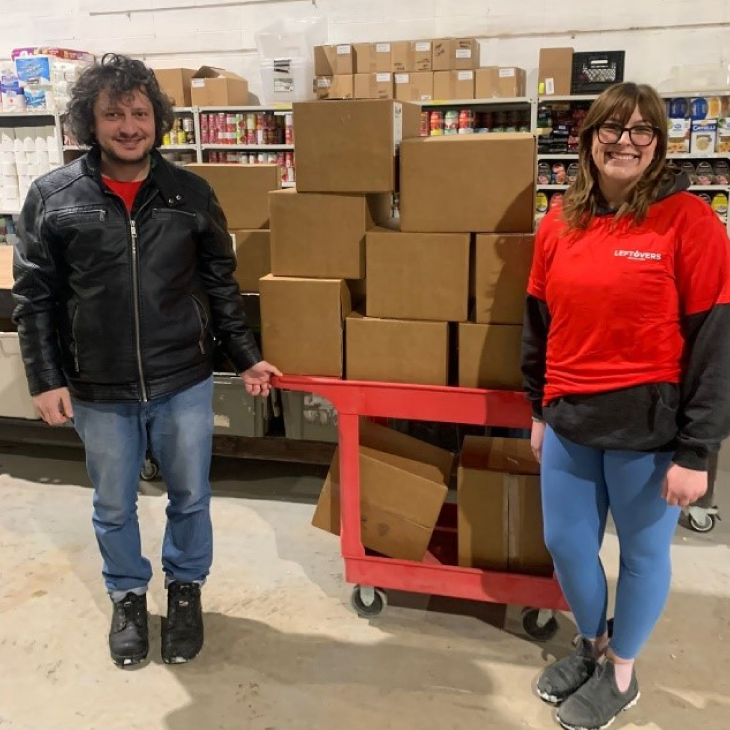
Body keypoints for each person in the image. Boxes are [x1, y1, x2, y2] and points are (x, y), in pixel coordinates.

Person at [12, 53, 281, 668]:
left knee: (190, 496)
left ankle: (185, 591)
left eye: (139, 112)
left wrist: (245, 357)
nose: (128, 126)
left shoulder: (191, 194)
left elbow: (220, 285)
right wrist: (46, 378)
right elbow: (35, 297)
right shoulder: (53, 198)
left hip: (181, 379)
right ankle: (129, 596)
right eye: (113, 114)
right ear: (90, 122)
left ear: (157, 119)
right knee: (112, 503)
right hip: (97, 386)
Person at [521, 81, 730, 730]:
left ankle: (622, 671)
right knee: (567, 546)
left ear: (659, 145)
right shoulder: (559, 223)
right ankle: (591, 644)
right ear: (588, 140)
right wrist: (537, 408)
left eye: (642, 130)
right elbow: (538, 323)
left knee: (642, 557)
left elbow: (716, 344)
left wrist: (698, 451)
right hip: (570, 421)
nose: (625, 141)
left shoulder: (689, 222)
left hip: (650, 433)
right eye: (611, 128)